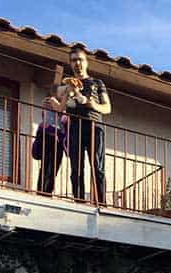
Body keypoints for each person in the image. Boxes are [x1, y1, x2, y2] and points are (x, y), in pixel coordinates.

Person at [47, 46, 111, 203]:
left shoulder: (97, 83)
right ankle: (79, 200)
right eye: (74, 60)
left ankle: (101, 202)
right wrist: (52, 102)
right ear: (70, 63)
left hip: (94, 126)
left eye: (80, 60)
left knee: (97, 167)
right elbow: (61, 107)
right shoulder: (67, 86)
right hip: (74, 127)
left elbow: (107, 108)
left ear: (86, 62)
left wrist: (92, 104)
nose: (77, 63)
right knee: (76, 167)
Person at [32, 84, 67, 195]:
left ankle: (47, 192)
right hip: (48, 136)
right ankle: (41, 191)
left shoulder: (64, 105)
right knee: (46, 165)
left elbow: (65, 120)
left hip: (59, 139)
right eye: (62, 92)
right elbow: (57, 111)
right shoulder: (49, 101)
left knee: (54, 168)